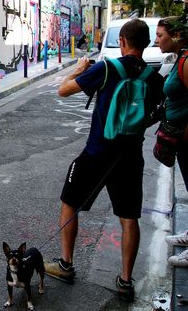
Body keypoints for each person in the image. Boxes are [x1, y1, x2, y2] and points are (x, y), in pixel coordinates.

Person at [44, 19, 164, 302]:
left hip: (97, 152)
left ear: (122, 41)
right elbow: (156, 114)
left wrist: (77, 70)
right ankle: (125, 280)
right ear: (146, 44)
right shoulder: (154, 78)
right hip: (130, 157)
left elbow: (63, 91)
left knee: (70, 203)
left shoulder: (107, 68)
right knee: (129, 217)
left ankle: (66, 264)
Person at [154, 17, 188, 264]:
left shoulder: (187, 61)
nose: (156, 40)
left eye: (160, 35)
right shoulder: (180, 57)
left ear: (176, 35)